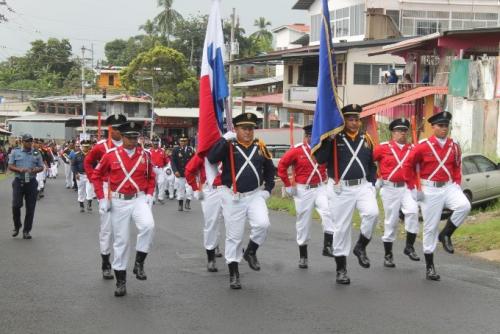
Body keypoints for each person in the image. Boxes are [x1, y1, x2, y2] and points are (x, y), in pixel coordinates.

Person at [207, 112, 275, 289]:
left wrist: (268, 189)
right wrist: (223, 140)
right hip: (233, 197)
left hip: (254, 195)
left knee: (263, 224)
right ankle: (234, 273)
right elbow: (211, 158)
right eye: (244, 129)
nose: (248, 132)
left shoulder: (259, 146)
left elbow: (269, 169)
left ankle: (251, 251)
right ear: (235, 129)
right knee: (234, 237)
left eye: (251, 128)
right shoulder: (229, 145)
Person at [314, 104, 378, 285]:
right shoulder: (334, 138)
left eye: (357, 119)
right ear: (343, 121)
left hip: (362, 185)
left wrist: (372, 183)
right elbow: (320, 159)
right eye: (350, 119)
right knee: (341, 228)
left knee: (372, 214)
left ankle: (361, 246)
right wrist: (328, 140)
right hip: (340, 188)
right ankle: (341, 269)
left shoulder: (366, 139)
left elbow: (371, 165)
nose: (354, 122)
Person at [405, 111, 470, 281]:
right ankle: (430, 266)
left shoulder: (454, 145)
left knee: (464, 206)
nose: (444, 129)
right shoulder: (422, 146)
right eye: (440, 126)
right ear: (432, 127)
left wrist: (456, 182)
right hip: (429, 189)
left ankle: (446, 234)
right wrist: (413, 188)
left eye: (446, 126)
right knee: (430, 227)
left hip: (448, 186)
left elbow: (457, 165)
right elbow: (409, 167)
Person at [92, 121, 155, 297]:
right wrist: (101, 198)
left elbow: (151, 178)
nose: (133, 141)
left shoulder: (146, 155)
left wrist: (150, 194)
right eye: (129, 137)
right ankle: (121, 281)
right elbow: (96, 176)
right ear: (123, 137)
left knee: (148, 226)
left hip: (138, 198)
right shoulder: (110, 155)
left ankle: (139, 263)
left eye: (136, 137)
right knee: (121, 241)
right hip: (118, 201)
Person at [277, 124, 334, 269]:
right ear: (306, 136)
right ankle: (303, 255)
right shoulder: (296, 150)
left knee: (329, 213)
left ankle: (327, 246)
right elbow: (282, 166)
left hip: (321, 187)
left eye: (313, 136)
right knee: (303, 222)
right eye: (309, 136)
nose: (311, 139)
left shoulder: (323, 148)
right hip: (304, 190)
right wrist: (288, 185)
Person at [85, 114, 127, 280]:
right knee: (107, 229)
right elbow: (88, 162)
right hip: (107, 189)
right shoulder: (101, 146)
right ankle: (106, 263)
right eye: (114, 128)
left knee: (122, 231)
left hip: (125, 191)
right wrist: (93, 181)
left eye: (119, 128)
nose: (116, 131)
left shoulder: (130, 144)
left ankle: (120, 263)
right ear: (110, 129)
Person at [373, 118, 420, 268]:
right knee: (391, 221)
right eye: (399, 130)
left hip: (407, 187)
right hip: (389, 188)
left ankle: (409, 246)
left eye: (405, 130)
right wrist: (376, 177)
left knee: (413, 212)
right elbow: (369, 162)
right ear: (392, 133)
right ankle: (388, 254)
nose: (402, 133)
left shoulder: (413, 149)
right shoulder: (383, 148)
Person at [185, 154, 224, 272]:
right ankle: (211, 257)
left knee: (231, 221)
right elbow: (189, 171)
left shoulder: (229, 149)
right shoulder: (202, 155)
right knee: (211, 222)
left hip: (228, 189)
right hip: (210, 190)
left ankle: (235, 257)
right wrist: (196, 188)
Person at [8, 134, 44, 239]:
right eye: (27, 141)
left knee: (30, 208)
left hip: (31, 182)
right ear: (22, 142)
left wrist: (34, 170)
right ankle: (17, 225)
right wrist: (19, 170)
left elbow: (41, 167)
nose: (29, 143)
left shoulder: (36, 153)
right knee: (16, 205)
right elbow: (10, 165)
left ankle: (26, 231)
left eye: (31, 141)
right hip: (18, 181)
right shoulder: (15, 152)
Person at [171, 134, 195, 211]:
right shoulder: (175, 150)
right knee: (180, 190)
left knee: (190, 189)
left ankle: (188, 202)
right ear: (179, 141)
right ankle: (180, 204)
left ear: (187, 141)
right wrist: (175, 171)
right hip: (180, 173)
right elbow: (173, 162)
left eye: (185, 141)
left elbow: (194, 161)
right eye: (181, 141)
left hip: (189, 173)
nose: (183, 142)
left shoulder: (191, 150)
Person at [71, 141, 95, 212]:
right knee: (81, 190)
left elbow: (95, 165)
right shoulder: (77, 155)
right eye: (84, 146)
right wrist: (76, 173)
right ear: (82, 147)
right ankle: (81, 205)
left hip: (89, 175)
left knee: (90, 190)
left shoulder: (92, 155)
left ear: (89, 147)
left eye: (87, 146)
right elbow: (73, 165)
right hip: (80, 175)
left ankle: (89, 204)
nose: (86, 148)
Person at [150, 138, 168, 204]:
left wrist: (163, 166)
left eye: (156, 144)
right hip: (152, 169)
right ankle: (153, 199)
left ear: (158, 144)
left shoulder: (162, 151)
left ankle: (160, 198)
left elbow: (166, 161)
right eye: (154, 143)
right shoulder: (149, 151)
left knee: (161, 182)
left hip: (160, 169)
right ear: (152, 143)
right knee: (153, 184)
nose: (155, 145)